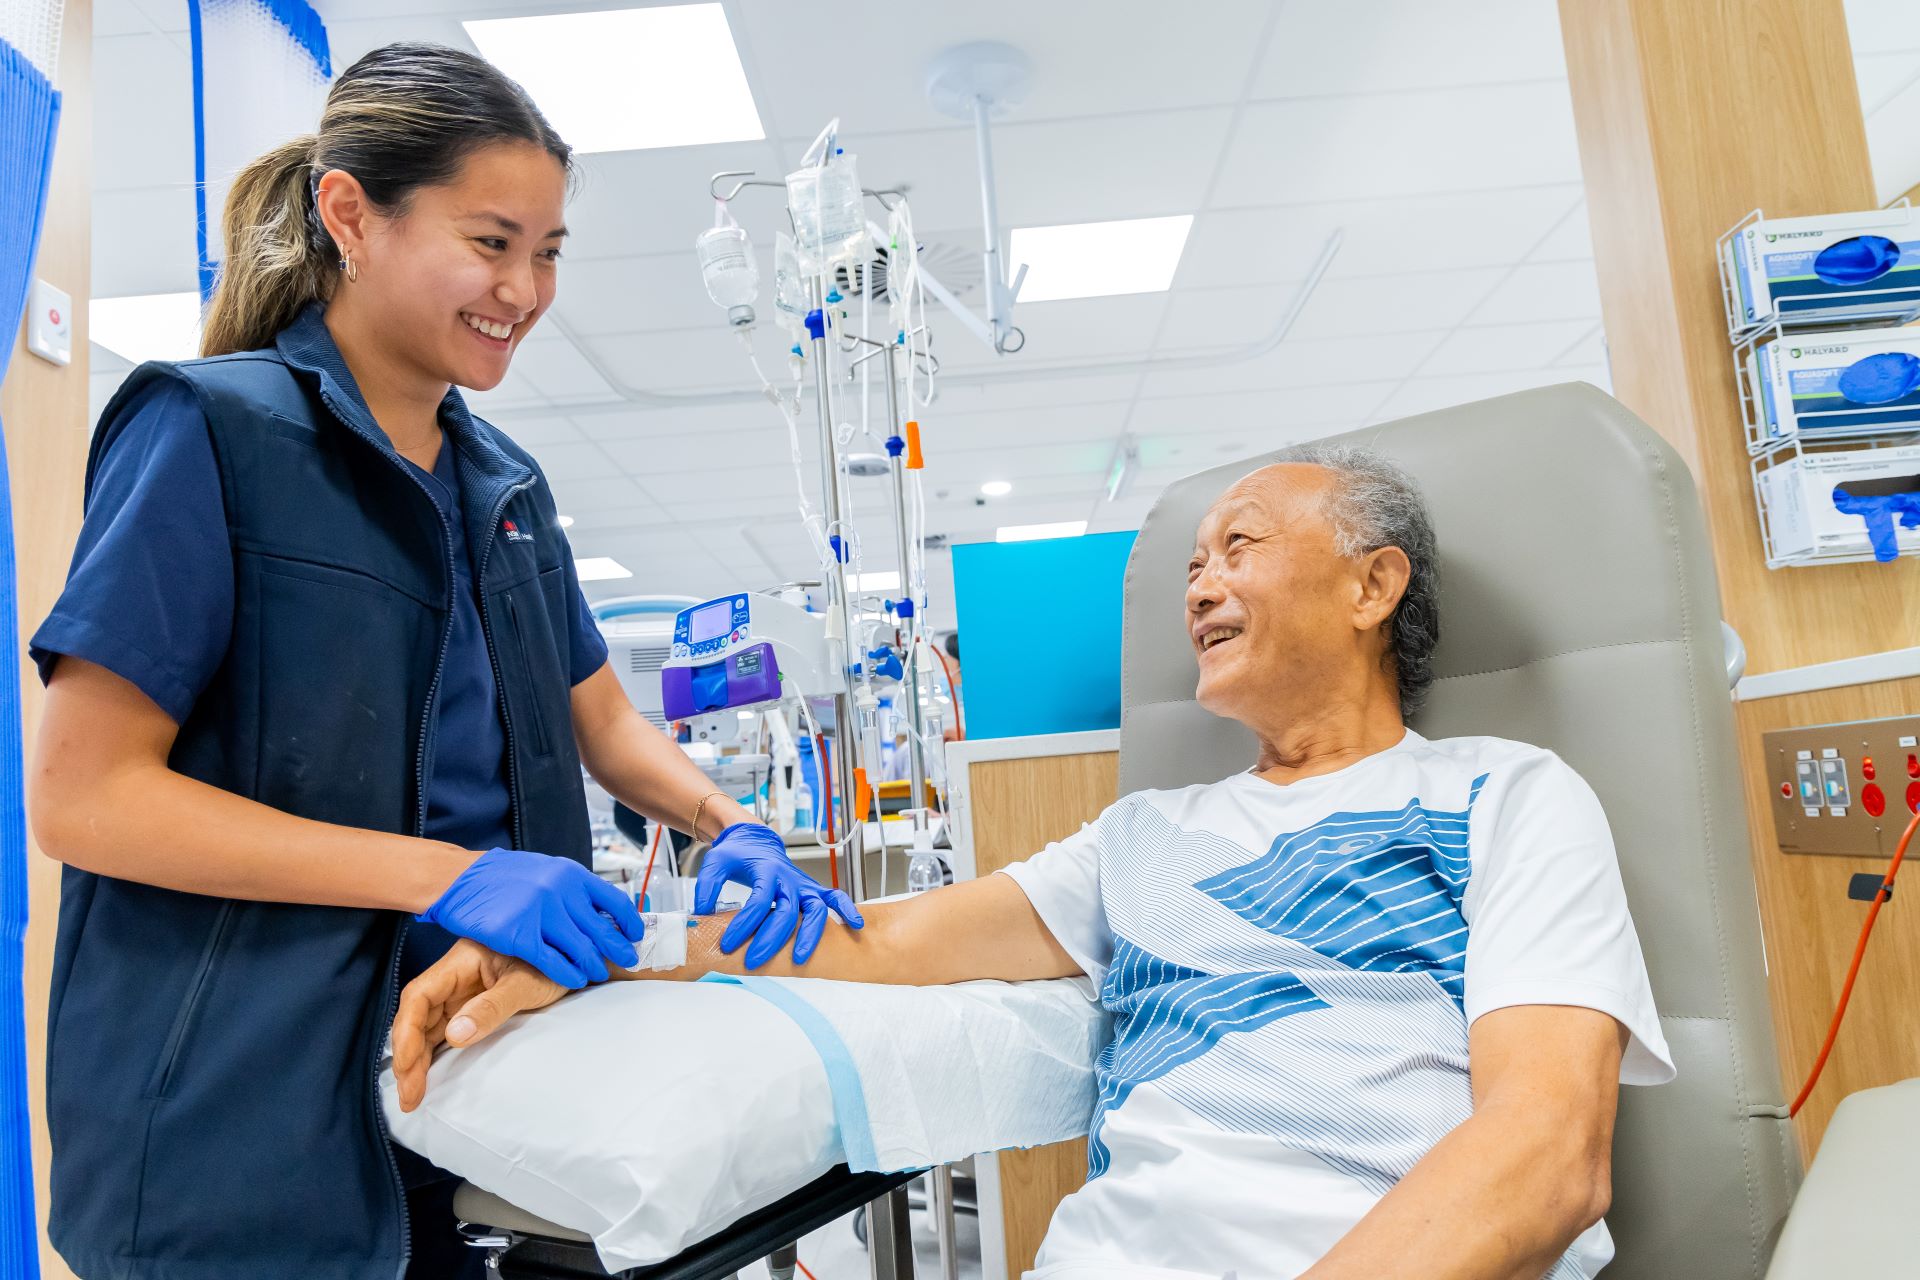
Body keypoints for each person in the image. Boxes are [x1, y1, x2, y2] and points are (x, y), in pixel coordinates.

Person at [396, 445, 1677, 1279]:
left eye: (1240, 548)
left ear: (1372, 584)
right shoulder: (1144, 838)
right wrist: (603, 959)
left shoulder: (1504, 795)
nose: (1199, 587)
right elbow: (883, 943)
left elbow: (1549, 1144)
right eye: (1191, 566)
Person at [26, 43, 855, 1280]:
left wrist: (726, 820)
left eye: (551, 251)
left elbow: (604, 718)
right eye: (492, 241)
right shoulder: (208, 433)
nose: (525, 287)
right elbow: (84, 796)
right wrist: (449, 873)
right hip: (246, 1113)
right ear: (350, 216)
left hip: (484, 1077)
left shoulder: (504, 487)